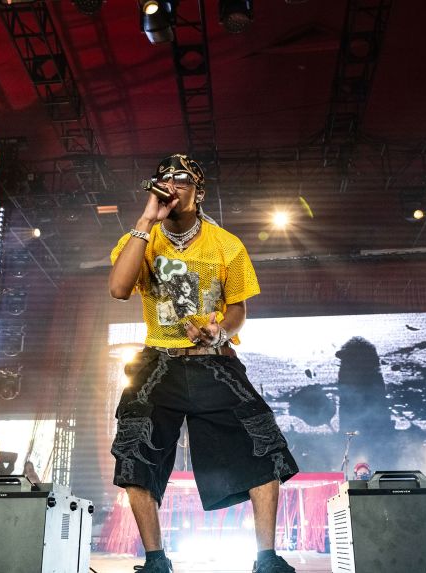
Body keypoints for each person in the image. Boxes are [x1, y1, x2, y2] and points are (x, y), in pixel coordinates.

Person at [108, 154, 299, 573]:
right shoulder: (140, 239)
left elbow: (238, 310)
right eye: (164, 179)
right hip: (159, 362)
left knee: (263, 445)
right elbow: (120, 289)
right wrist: (146, 219)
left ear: (199, 190)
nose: (171, 186)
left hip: (214, 362)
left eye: (181, 179)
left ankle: (266, 558)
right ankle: (156, 560)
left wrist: (220, 333)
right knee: (134, 453)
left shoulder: (226, 244)